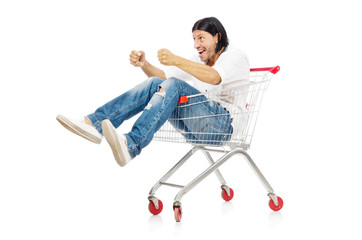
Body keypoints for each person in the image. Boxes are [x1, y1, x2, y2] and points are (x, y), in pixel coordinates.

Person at [56, 17, 250, 167]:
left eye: (201, 38)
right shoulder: (199, 60)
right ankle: (95, 123)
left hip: (223, 127)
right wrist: (144, 64)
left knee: (175, 85)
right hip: (197, 124)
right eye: (194, 39)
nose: (196, 44)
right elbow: (164, 78)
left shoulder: (235, 56)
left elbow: (214, 77)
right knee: (156, 83)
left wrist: (177, 59)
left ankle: (132, 143)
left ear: (217, 37)